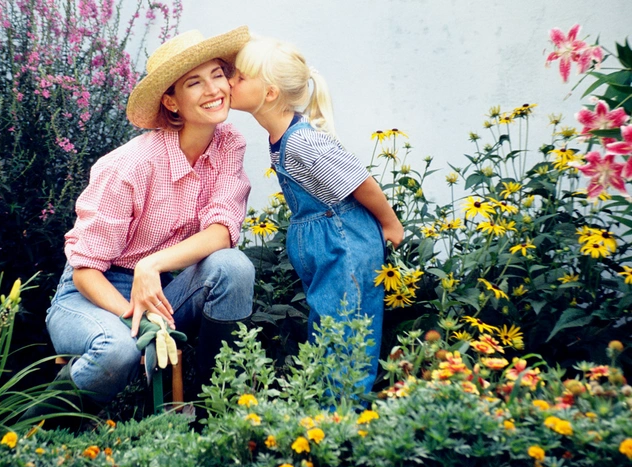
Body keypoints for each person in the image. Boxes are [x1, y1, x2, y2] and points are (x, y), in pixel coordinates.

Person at [38, 26, 254, 417]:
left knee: (233, 267)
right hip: (91, 294)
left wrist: (151, 264)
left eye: (217, 75)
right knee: (118, 350)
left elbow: (222, 232)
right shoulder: (130, 165)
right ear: (171, 102)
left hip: (160, 285)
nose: (213, 89)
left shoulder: (229, 143)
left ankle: (215, 409)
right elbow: (86, 270)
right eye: (194, 82)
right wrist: (136, 320)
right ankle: (37, 428)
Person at [228, 35, 403, 395]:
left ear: (270, 93)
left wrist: (389, 223)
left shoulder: (304, 141)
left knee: (347, 335)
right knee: (327, 330)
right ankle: (326, 416)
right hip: (325, 245)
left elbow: (360, 181)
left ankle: (345, 421)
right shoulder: (280, 137)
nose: (229, 82)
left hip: (345, 245)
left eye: (239, 77)